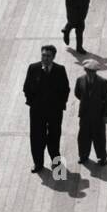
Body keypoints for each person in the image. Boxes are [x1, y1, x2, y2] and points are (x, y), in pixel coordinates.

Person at [23, 44, 70, 173]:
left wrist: (60, 105)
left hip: (54, 112)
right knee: (37, 137)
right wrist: (32, 103)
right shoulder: (33, 68)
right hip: (37, 111)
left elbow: (66, 89)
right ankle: (38, 163)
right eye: (43, 55)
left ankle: (56, 162)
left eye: (48, 56)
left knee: (54, 137)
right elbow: (26, 87)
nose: (45, 58)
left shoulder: (60, 70)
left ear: (53, 57)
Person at [74, 58, 107, 166]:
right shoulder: (80, 80)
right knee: (83, 137)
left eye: (93, 71)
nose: (91, 73)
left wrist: (106, 115)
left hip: (98, 116)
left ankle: (102, 157)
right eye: (89, 71)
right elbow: (77, 93)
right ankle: (83, 156)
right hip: (85, 115)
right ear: (85, 70)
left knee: (99, 138)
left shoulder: (103, 82)